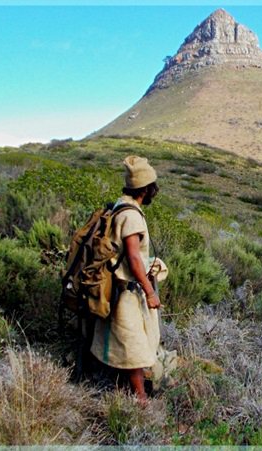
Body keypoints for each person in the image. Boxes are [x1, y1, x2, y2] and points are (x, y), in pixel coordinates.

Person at [90, 155, 167, 405]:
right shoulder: (132, 216)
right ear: (146, 189)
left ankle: (125, 385)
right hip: (126, 292)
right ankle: (141, 400)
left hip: (118, 286)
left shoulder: (119, 205)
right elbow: (133, 258)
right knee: (134, 347)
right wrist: (150, 292)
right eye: (153, 186)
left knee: (126, 342)